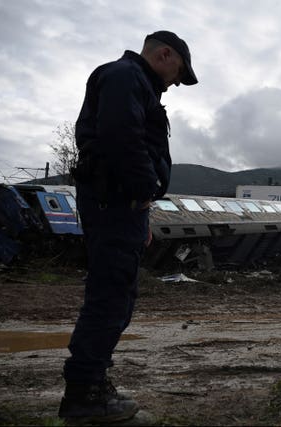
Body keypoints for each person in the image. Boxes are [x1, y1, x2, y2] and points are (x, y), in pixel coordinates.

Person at [59, 31, 198, 423]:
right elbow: (123, 138)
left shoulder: (135, 82)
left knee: (118, 295)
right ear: (165, 54)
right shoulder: (125, 76)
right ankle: (84, 394)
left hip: (122, 204)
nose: (176, 83)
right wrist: (141, 193)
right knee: (109, 296)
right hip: (116, 201)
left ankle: (91, 384)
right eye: (179, 74)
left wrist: (143, 211)